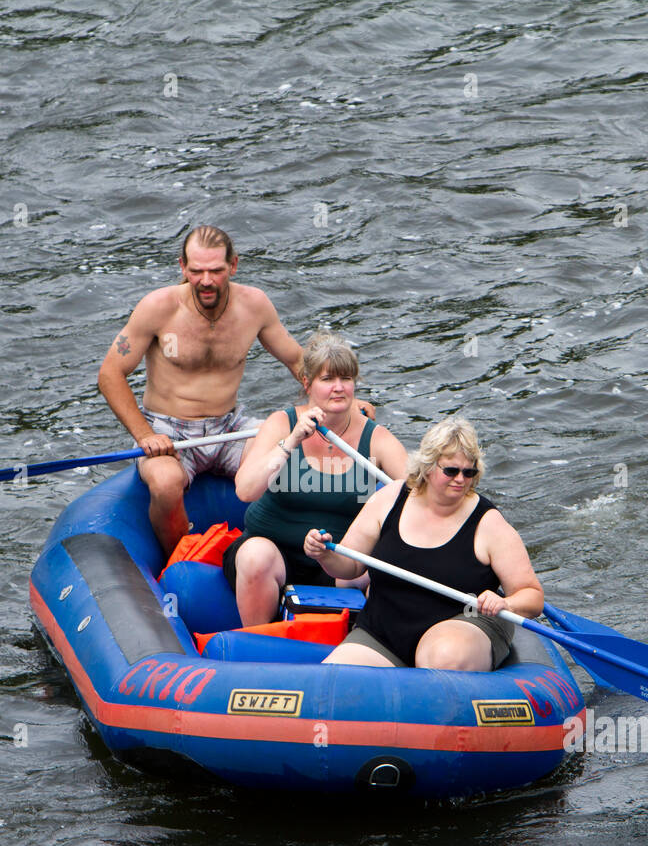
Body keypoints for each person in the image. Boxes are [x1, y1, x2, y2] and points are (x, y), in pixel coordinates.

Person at [97, 225, 305, 556]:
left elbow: (298, 361)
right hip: (168, 429)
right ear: (182, 267)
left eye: (216, 271)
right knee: (165, 484)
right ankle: (180, 563)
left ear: (233, 266)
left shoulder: (254, 305)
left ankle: (283, 555)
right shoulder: (158, 307)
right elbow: (110, 374)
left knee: (288, 461)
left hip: (230, 427)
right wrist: (145, 435)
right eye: (196, 271)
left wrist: (344, 405)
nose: (205, 281)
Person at [303, 418, 544, 672]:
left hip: (463, 624)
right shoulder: (388, 499)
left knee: (441, 657)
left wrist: (506, 603)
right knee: (335, 677)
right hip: (386, 631)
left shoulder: (489, 524)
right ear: (428, 467)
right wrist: (323, 554)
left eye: (469, 472)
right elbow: (349, 566)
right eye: (451, 471)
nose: (460, 479)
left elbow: (533, 596)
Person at [224, 333, 407, 626]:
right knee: (255, 556)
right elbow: (246, 491)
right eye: (327, 379)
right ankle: (259, 641)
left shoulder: (376, 438)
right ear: (307, 384)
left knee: (384, 569)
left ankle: (369, 643)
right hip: (273, 552)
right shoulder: (281, 423)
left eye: (345, 379)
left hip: (339, 562)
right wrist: (293, 439)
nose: (338, 387)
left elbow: (421, 493)